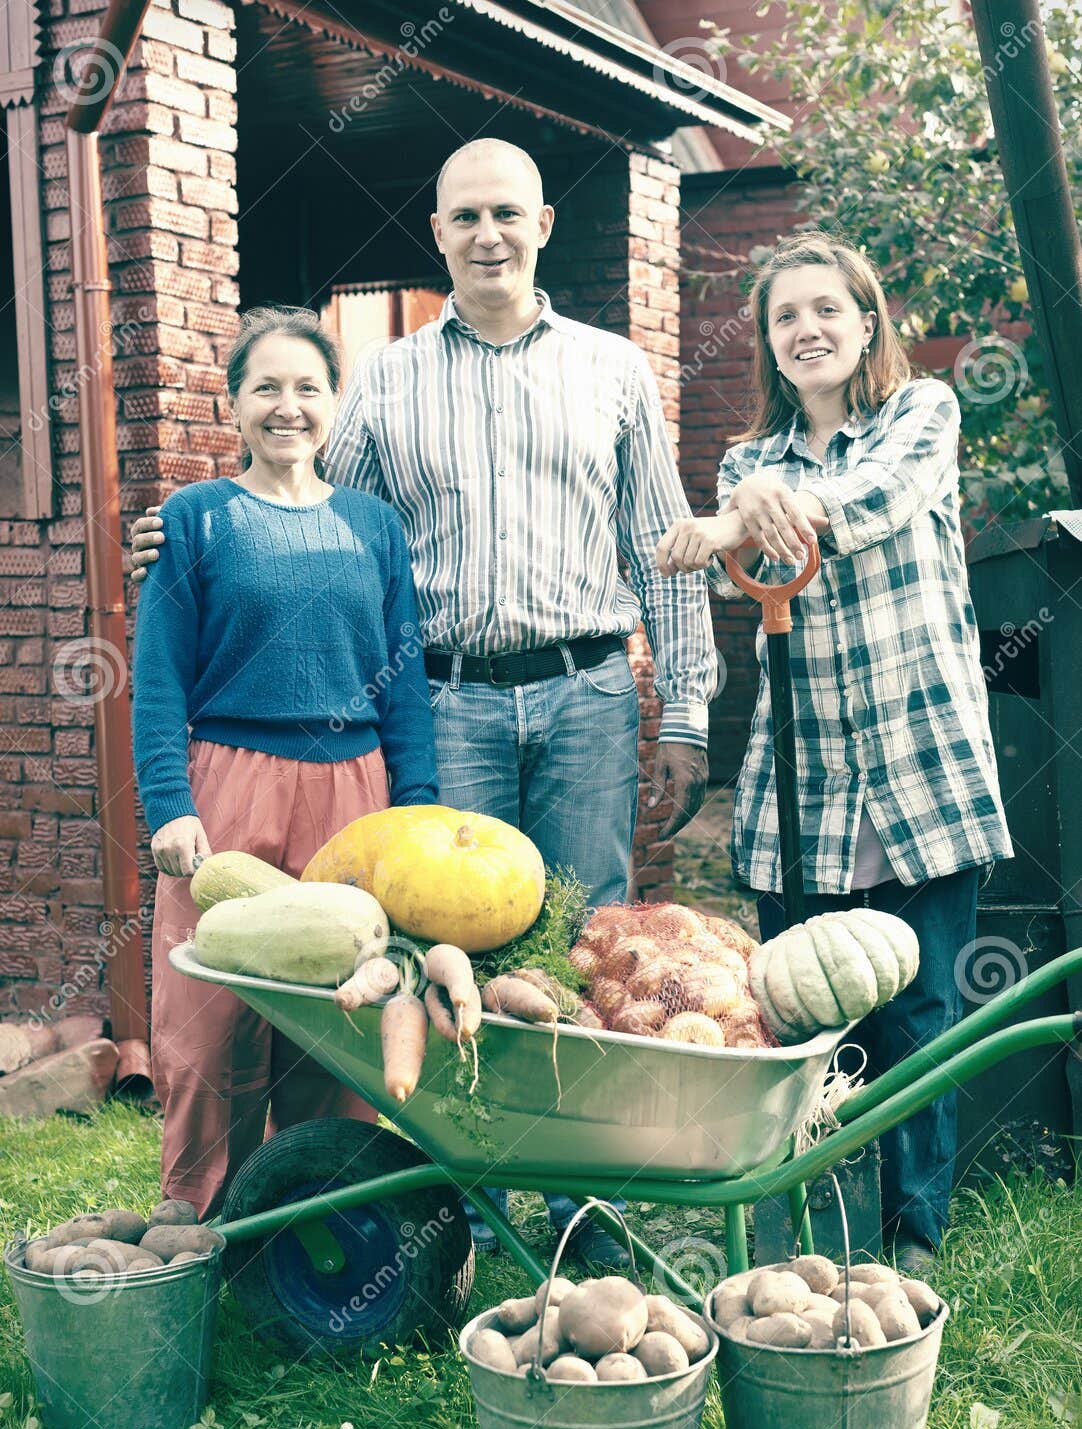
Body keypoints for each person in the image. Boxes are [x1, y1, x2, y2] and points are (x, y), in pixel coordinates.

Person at [131, 138, 719, 1269]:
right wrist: (177, 533)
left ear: (542, 223)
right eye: (464, 218)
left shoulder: (613, 370)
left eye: (507, 212)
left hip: (589, 693)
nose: (487, 234)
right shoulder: (388, 379)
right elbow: (308, 519)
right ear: (438, 234)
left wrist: (682, 710)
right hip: (443, 704)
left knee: (583, 943)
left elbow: (662, 552)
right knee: (435, 960)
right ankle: (447, 1197)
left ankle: (580, 1215)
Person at [655, 232, 1012, 1274]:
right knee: (801, 1014)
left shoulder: (921, 413)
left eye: (826, 309)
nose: (806, 328)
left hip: (918, 764)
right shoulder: (742, 462)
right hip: (801, 780)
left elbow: (874, 502)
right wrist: (737, 520)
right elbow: (738, 577)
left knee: (921, 1010)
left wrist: (760, 514)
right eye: (784, 317)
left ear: (865, 325)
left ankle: (910, 1234)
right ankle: (811, 1219)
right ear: (768, 345)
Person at [133, 306, 438, 1221]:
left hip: (353, 794)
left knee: (334, 1014)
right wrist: (168, 805)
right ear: (233, 406)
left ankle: (314, 1217)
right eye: (265, 386)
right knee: (207, 1021)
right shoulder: (195, 520)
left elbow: (406, 685)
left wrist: (414, 814)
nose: (287, 406)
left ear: (333, 404)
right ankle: (200, 1224)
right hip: (227, 785)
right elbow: (156, 680)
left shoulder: (375, 527)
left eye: (308, 388)